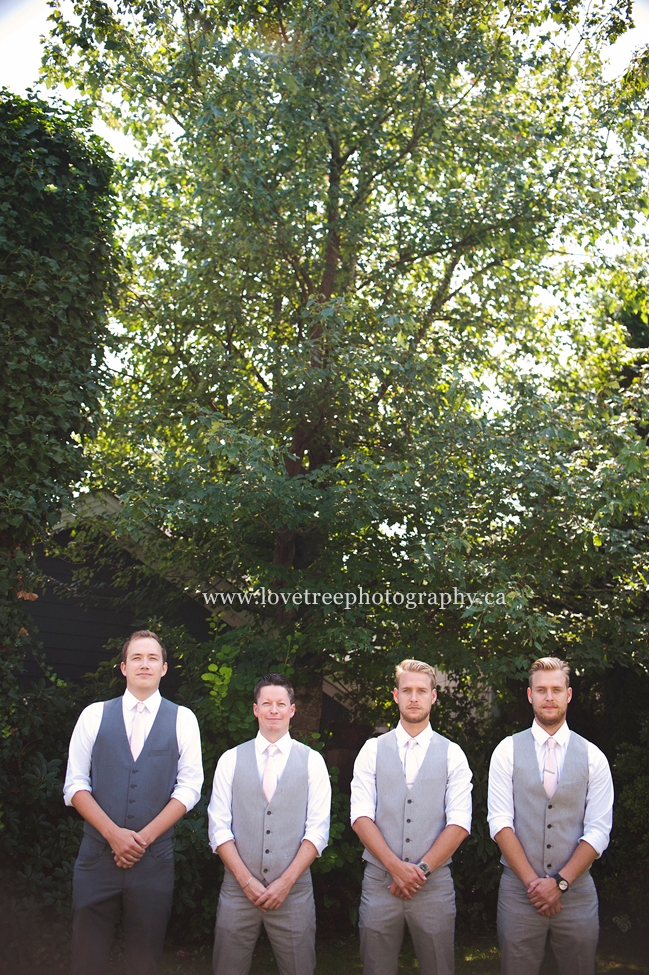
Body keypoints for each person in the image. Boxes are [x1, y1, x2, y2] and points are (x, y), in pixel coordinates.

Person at [63, 629, 203, 975]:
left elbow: (189, 787)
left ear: (164, 668)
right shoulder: (94, 715)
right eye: (136, 658)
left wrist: (143, 839)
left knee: (146, 958)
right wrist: (113, 834)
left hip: (154, 860)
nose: (145, 664)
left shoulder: (183, 719)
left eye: (152, 658)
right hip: (96, 858)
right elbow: (75, 785)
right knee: (86, 956)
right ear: (123, 667)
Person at [487, 656, 614, 975]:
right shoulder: (506, 751)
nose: (549, 697)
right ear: (530, 695)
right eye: (541, 690)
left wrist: (560, 883)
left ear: (568, 695)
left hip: (578, 892)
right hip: (519, 891)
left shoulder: (593, 757)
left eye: (557, 689)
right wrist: (535, 884)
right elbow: (500, 823)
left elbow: (598, 831)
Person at [350, 659, 473, 975]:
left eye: (421, 691)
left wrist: (418, 871)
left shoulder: (452, 754)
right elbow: (361, 816)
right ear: (395, 695)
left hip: (434, 886)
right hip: (380, 883)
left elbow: (459, 823)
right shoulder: (372, 750)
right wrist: (395, 868)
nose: (414, 698)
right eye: (407, 690)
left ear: (433, 696)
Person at [207, 672, 331, 975]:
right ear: (255, 709)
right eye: (266, 704)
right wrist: (246, 881)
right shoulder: (230, 760)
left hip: (294, 893)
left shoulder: (312, 761)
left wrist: (285, 883)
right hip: (237, 892)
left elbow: (317, 830)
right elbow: (219, 827)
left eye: (280, 704)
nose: (273, 710)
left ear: (292, 710)